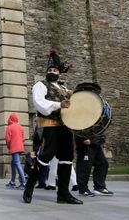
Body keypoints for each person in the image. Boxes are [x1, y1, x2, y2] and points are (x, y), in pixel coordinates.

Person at [22, 49, 82, 205]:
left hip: (65, 127)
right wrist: (59, 104)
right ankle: (29, 188)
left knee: (67, 159)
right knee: (45, 157)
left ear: (59, 73)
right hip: (48, 126)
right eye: (49, 70)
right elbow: (39, 104)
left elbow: (75, 102)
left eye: (55, 70)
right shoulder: (40, 85)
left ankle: (63, 194)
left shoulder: (64, 89)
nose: (52, 72)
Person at [5, 112, 26, 190]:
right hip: (20, 147)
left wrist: (9, 147)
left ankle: (23, 183)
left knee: (17, 164)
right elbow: (23, 138)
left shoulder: (9, 127)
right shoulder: (20, 127)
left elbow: (8, 140)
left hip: (14, 148)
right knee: (13, 164)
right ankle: (12, 182)